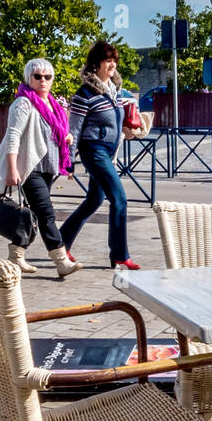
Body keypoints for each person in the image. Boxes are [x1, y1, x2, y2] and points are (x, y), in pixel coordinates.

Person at [0, 58, 81, 278]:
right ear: (29, 78)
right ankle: (61, 260)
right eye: (38, 76)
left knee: (35, 215)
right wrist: (12, 169)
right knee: (47, 213)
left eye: (47, 76)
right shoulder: (23, 103)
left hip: (49, 167)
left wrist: (65, 136)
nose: (43, 81)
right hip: (30, 168)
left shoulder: (53, 104)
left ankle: (16, 257)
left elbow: (50, 132)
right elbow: (13, 135)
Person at [59, 40, 139, 270]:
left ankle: (61, 242)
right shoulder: (85, 94)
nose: (112, 64)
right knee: (120, 198)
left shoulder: (115, 91)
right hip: (93, 151)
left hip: (108, 151)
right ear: (96, 64)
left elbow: (119, 122)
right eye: (107, 60)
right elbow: (73, 129)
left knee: (95, 199)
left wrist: (130, 128)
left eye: (114, 60)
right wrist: (68, 161)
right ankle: (120, 254)